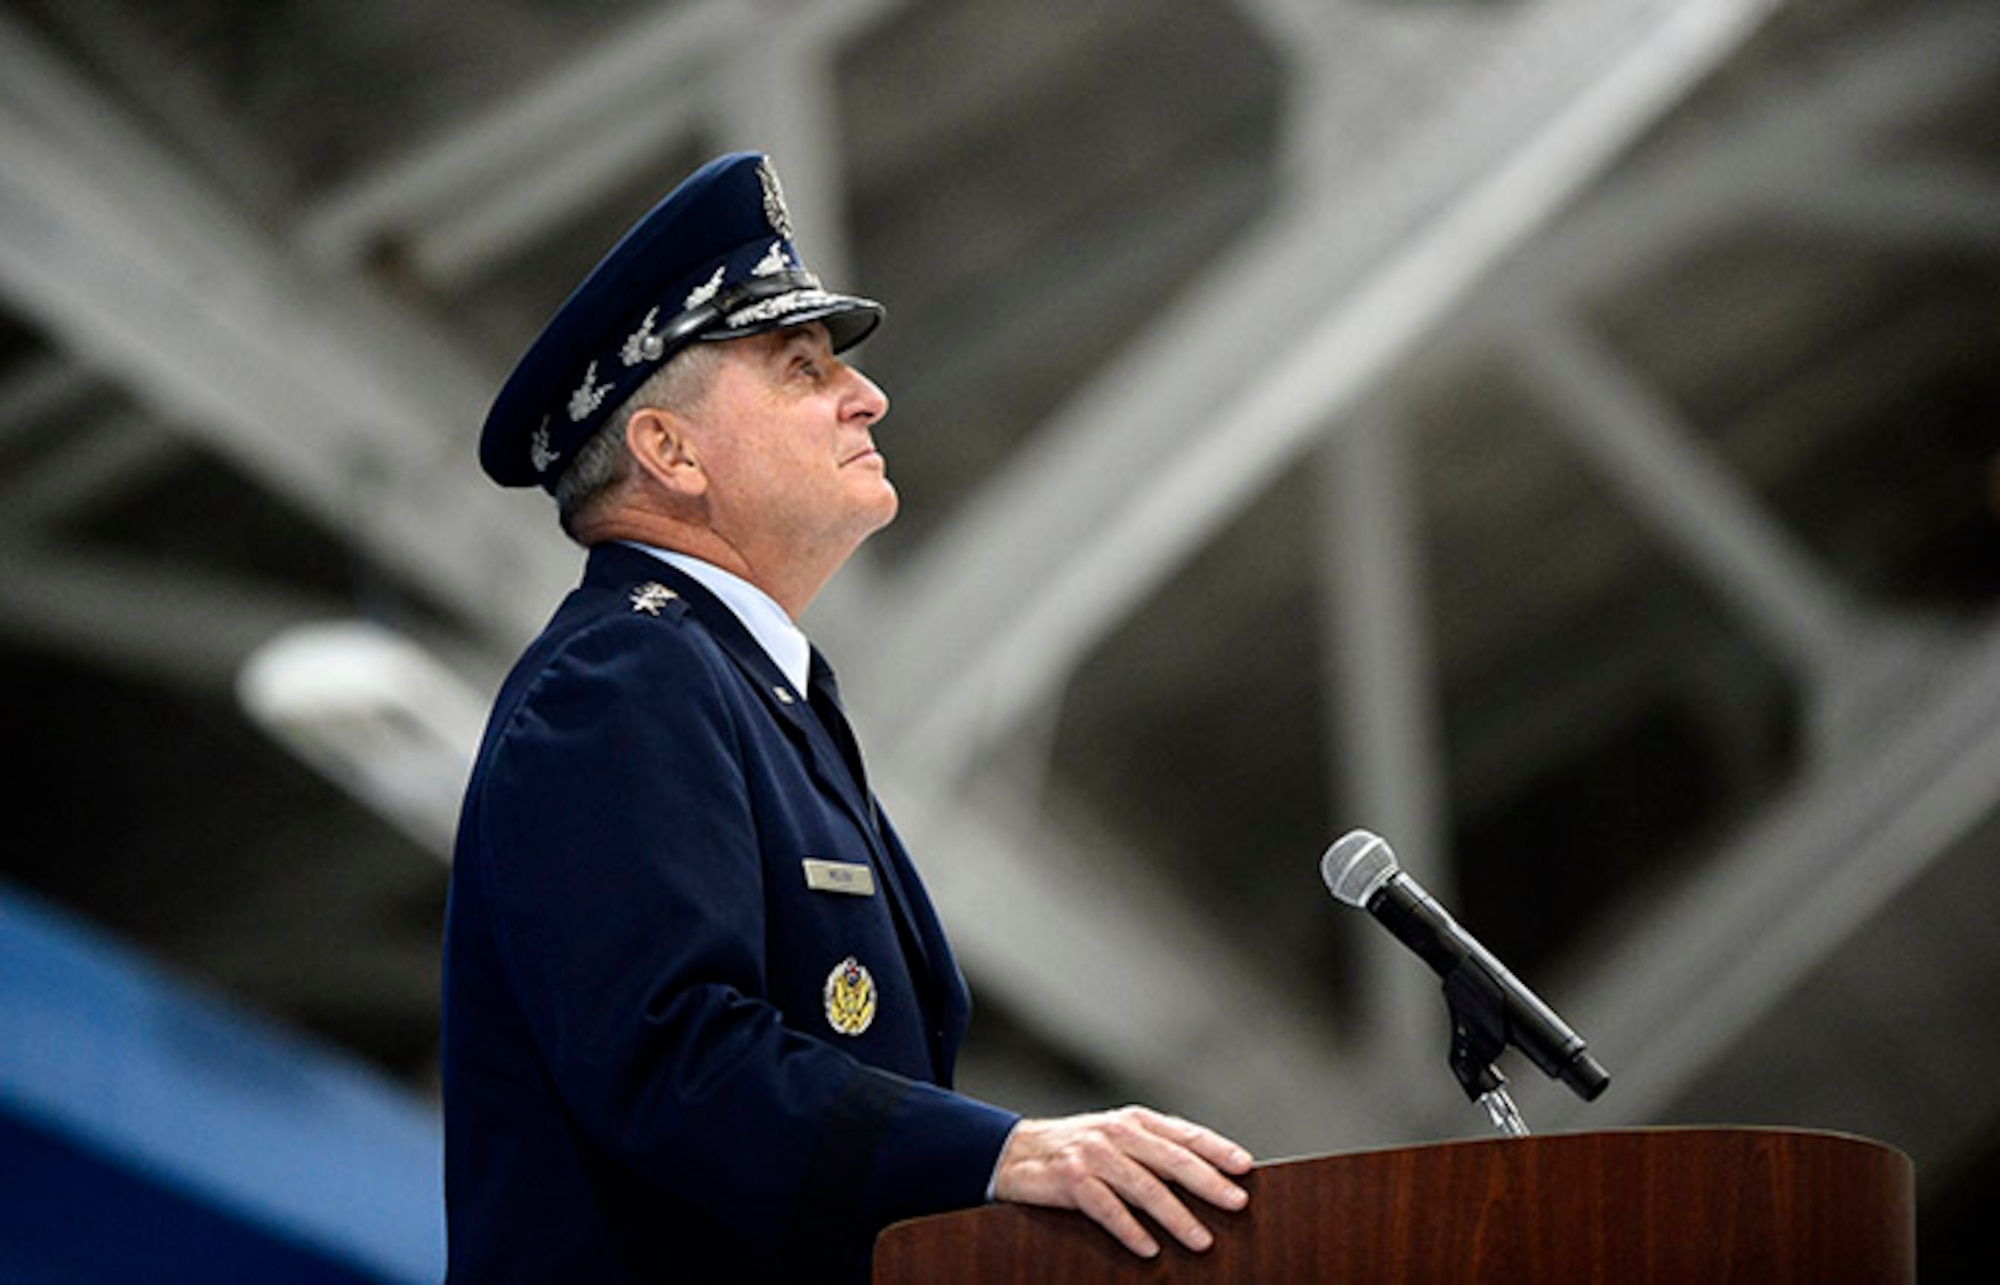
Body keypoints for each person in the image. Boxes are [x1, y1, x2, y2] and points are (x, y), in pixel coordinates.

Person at [441, 151, 1253, 1283]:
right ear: (667, 452)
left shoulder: (742, 687)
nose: (864, 395)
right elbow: (670, 1054)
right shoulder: (621, 675)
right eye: (799, 365)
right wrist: (1001, 1153)